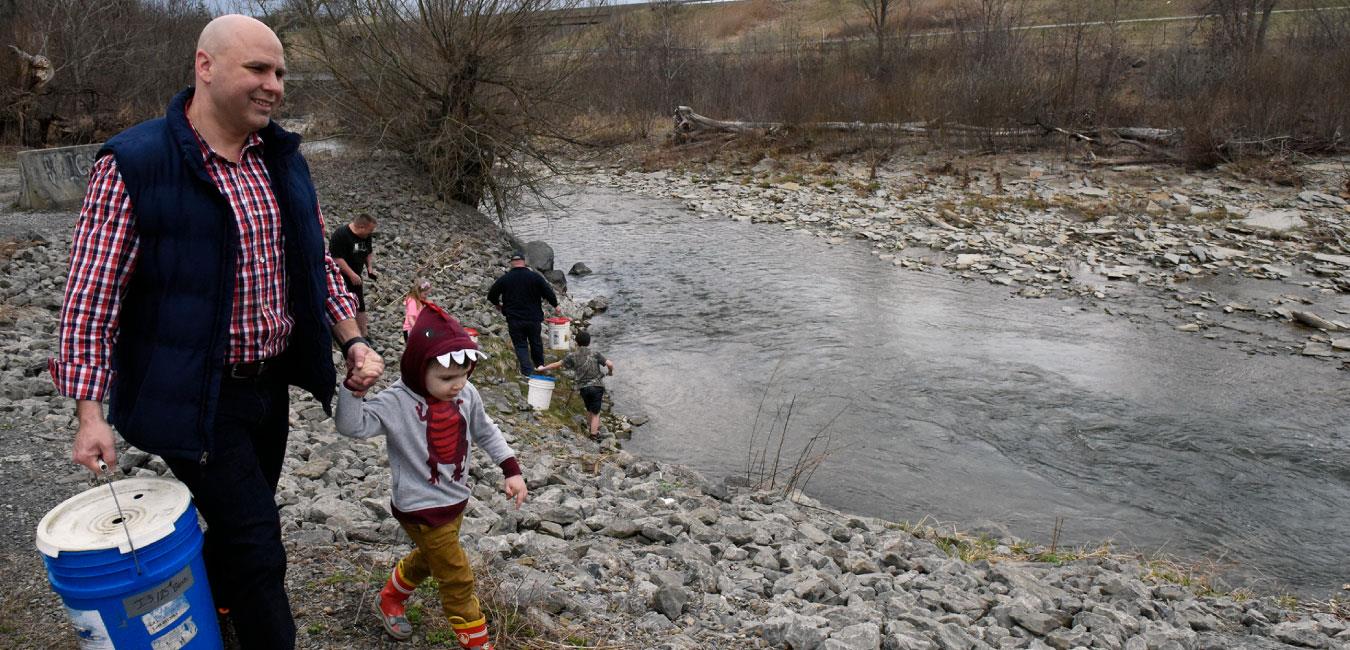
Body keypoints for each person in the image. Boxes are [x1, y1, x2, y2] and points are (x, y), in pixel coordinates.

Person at [49, 14, 384, 650]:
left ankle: (209, 613)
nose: (274, 86)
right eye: (257, 69)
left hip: (270, 387)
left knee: (237, 529)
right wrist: (89, 414)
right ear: (205, 67)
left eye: (280, 73)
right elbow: (91, 298)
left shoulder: (281, 160)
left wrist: (353, 340)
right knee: (258, 540)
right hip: (192, 394)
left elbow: (313, 267)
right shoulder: (134, 163)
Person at [335, 304, 526, 649]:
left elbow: (485, 430)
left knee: (430, 556)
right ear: (417, 370)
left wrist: (510, 468)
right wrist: (354, 391)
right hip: (419, 507)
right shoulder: (396, 402)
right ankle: (477, 643)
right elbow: (352, 426)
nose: (458, 386)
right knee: (456, 576)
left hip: (455, 499)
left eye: (464, 375)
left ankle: (390, 597)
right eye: (447, 379)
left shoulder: (466, 394)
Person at [485, 250, 558, 375]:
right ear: (524, 262)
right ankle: (540, 366)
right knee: (536, 342)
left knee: (520, 345)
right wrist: (556, 305)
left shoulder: (505, 279)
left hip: (514, 319)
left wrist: (498, 305)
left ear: (512, 263)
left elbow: (491, 295)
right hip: (533, 318)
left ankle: (527, 371)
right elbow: (548, 292)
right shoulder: (535, 277)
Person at [536, 330, 614, 439]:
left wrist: (543, 368)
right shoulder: (595, 353)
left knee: (589, 409)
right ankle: (594, 434)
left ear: (576, 342)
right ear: (589, 342)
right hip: (597, 386)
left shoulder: (572, 356)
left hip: (583, 388)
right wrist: (610, 372)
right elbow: (610, 364)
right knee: (596, 413)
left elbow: (557, 364)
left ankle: (590, 426)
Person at [329, 213, 378, 335]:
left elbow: (368, 252)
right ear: (361, 227)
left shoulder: (366, 236)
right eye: (369, 230)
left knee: (360, 304)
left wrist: (369, 267)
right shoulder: (341, 235)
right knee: (339, 303)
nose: (371, 233)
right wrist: (351, 274)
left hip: (356, 274)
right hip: (338, 276)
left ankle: (364, 334)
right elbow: (336, 258)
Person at [402, 277, 433, 341]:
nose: (426, 296)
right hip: (410, 330)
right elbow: (411, 319)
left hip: (416, 328)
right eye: (425, 294)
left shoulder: (420, 300)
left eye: (428, 294)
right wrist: (417, 330)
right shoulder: (412, 301)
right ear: (418, 292)